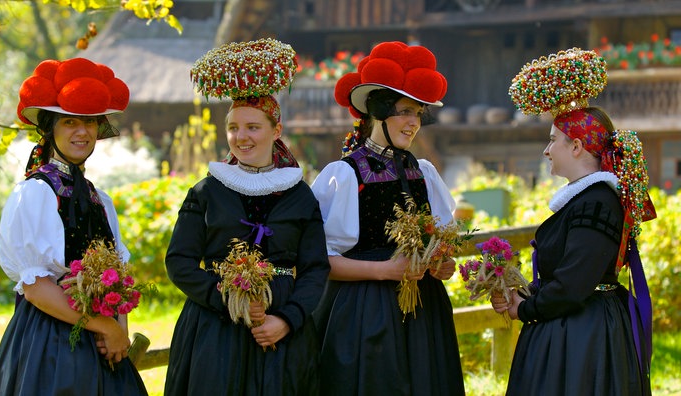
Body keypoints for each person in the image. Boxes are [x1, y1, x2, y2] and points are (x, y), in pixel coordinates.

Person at [164, 38, 330, 396]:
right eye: (234, 127)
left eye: (253, 127)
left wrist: (286, 321)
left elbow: (316, 268)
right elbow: (179, 261)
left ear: (276, 131)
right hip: (213, 327)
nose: (241, 137)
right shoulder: (205, 192)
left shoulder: (301, 196)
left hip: (282, 327)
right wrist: (227, 299)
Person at [491, 48, 655, 395]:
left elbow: (573, 284)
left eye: (553, 140)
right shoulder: (584, 201)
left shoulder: (597, 203)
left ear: (577, 146)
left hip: (586, 339)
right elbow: (564, 276)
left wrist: (527, 308)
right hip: (572, 328)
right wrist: (519, 293)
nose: (547, 151)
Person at [310, 41, 465, 396]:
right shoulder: (346, 174)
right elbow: (322, 260)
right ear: (378, 111)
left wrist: (442, 262)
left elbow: (437, 238)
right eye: (405, 112)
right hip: (364, 313)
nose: (413, 123)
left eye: (418, 114)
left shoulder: (422, 170)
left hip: (423, 311)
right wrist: (383, 270)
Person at [0, 58, 148, 395]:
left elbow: (116, 279)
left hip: (104, 348)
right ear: (50, 129)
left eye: (89, 123)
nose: (82, 132)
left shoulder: (99, 200)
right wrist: (105, 326)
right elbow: (35, 287)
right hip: (48, 343)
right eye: (70, 122)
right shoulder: (34, 193)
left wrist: (118, 331)